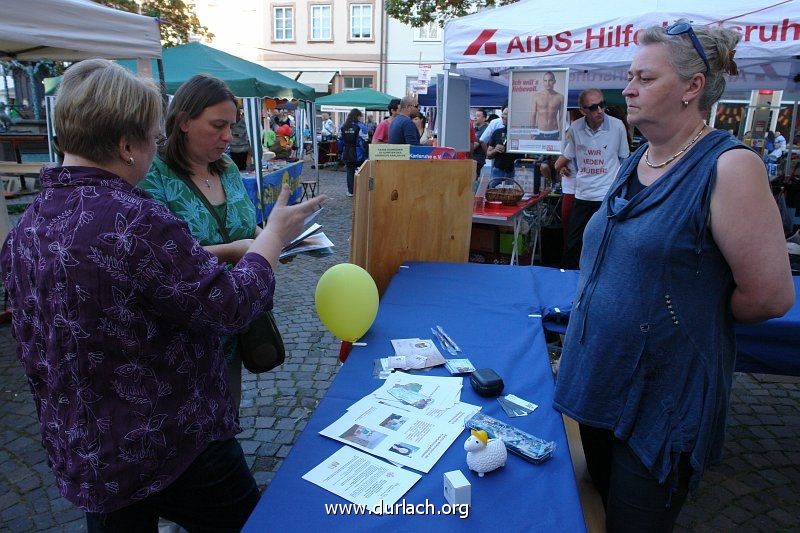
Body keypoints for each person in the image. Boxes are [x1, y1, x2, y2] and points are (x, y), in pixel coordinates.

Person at [0, 59, 325, 530]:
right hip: (172, 444)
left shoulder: (27, 226)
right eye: (154, 138)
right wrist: (273, 236)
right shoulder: (134, 219)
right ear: (126, 145)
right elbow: (230, 306)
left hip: (92, 451)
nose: (157, 148)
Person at [553, 22, 794, 532]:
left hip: (660, 403)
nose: (629, 89)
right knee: (595, 508)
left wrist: (691, 303)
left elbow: (771, 296)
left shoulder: (730, 167)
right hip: (599, 382)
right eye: (630, 76)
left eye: (645, 77)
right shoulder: (639, 157)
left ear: (692, 87)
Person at [138, 74, 276, 408]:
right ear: (184, 121)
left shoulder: (226, 168)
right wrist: (237, 251)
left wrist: (272, 238)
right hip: (185, 334)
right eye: (218, 126)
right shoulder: (153, 176)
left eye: (231, 125)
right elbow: (158, 254)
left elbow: (244, 225)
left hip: (234, 319)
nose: (228, 137)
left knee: (228, 409)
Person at [554, 88, 630, 269]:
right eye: (594, 107)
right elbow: (569, 154)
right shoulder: (575, 128)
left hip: (606, 195)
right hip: (582, 194)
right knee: (573, 244)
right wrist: (563, 167)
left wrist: (621, 192)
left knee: (607, 244)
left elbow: (624, 160)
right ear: (582, 110)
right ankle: (568, 284)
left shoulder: (617, 126)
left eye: (602, 105)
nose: (600, 110)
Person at [486, 107, 526, 178]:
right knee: (493, 189)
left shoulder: (522, 133)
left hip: (517, 172)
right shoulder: (497, 132)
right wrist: (495, 150)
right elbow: (488, 155)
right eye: (502, 114)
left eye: (505, 114)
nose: (502, 116)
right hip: (498, 171)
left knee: (515, 189)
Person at [338, 108, 368, 197]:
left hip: (347, 151)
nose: (362, 118)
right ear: (358, 116)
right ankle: (361, 190)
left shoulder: (343, 126)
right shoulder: (361, 126)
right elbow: (365, 139)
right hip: (359, 152)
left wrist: (340, 152)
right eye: (361, 116)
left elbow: (340, 140)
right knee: (361, 171)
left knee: (350, 172)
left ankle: (351, 191)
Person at [532, 71, 564, 140]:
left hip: (554, 132)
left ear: (554, 81)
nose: (547, 83)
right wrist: (532, 132)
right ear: (543, 82)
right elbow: (533, 115)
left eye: (550, 80)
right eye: (545, 81)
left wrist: (562, 134)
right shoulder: (536, 97)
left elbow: (561, 117)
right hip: (539, 132)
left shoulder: (560, 97)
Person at [229, 106, 250, 171]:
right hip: (231, 152)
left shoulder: (245, 123)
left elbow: (249, 141)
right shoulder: (229, 123)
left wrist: (249, 157)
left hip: (242, 153)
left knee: (241, 171)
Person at [472, 108, 489, 176]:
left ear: (484, 118)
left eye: (478, 116)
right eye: (475, 116)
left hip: (478, 160)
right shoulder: (476, 128)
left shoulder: (484, 129)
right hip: (475, 159)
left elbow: (474, 145)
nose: (475, 118)